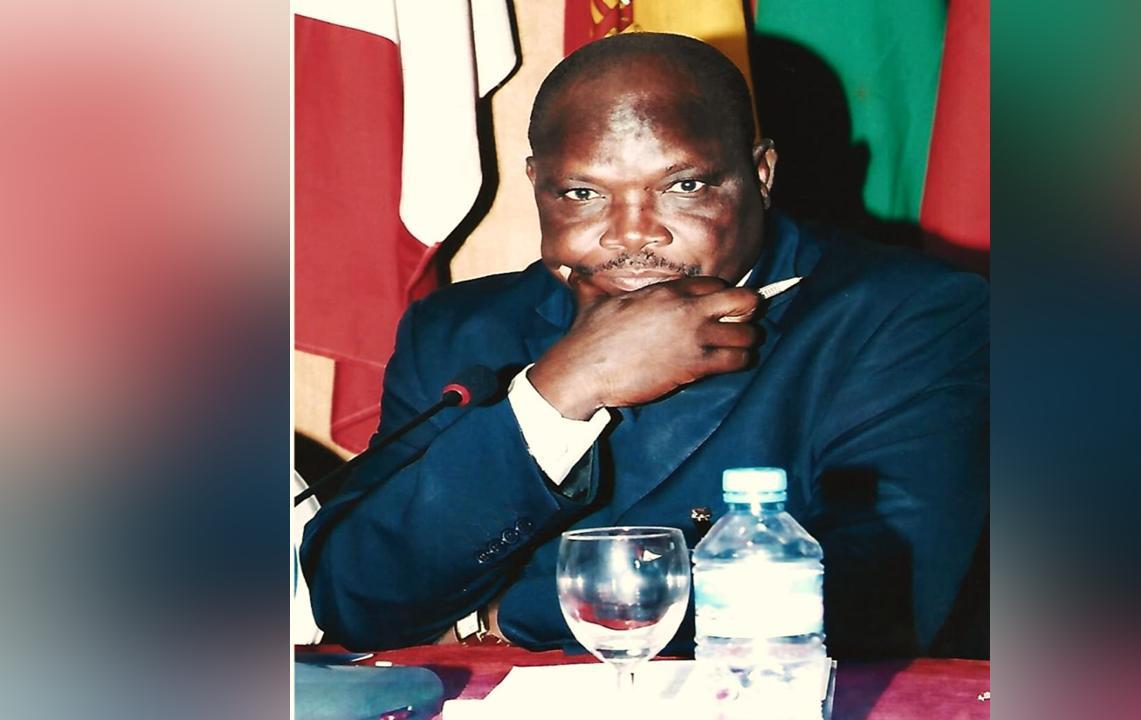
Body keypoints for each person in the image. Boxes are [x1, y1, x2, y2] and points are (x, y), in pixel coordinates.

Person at [301, 32, 988, 659]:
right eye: (582, 193)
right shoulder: (458, 330)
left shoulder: (910, 315)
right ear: (538, 185)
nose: (632, 234)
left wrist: (502, 614)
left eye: (683, 186)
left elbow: (875, 600)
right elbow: (355, 597)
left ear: (761, 173)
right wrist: (561, 391)